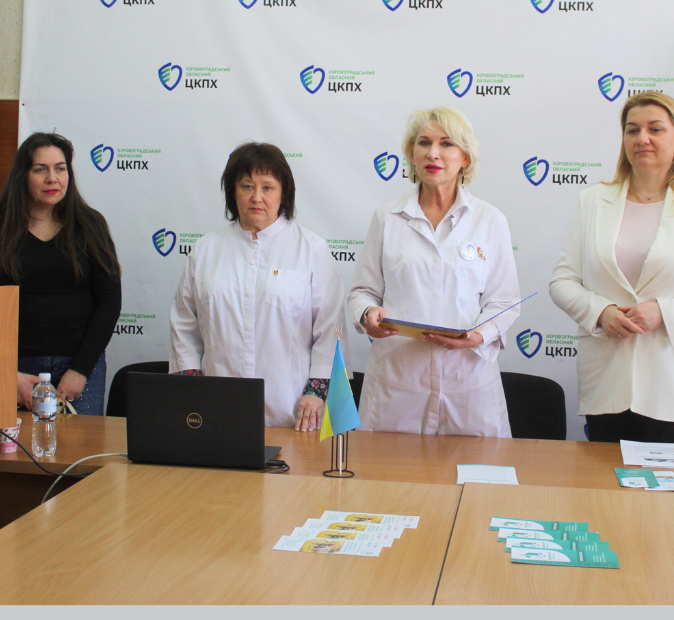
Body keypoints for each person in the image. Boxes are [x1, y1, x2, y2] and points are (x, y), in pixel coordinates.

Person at [549, 92, 674, 443]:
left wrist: (665, 312)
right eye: (632, 130)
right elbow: (563, 281)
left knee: (671, 481)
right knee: (603, 480)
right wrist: (601, 312)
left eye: (655, 129)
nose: (642, 138)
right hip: (607, 387)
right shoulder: (593, 200)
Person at [349, 107, 521, 437]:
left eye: (446, 144)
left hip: (467, 381)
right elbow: (362, 292)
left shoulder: (490, 220)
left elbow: (505, 301)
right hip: (397, 382)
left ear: (465, 157)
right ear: (411, 154)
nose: (433, 153)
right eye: (424, 143)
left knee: (472, 469)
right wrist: (368, 313)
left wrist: (477, 335)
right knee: (390, 469)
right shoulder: (387, 218)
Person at [169, 142, 346, 431]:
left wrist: (317, 392)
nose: (257, 197)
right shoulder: (205, 250)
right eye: (247, 186)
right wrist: (193, 389)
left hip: (292, 412)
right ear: (233, 191)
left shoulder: (311, 249)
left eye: (268, 187)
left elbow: (331, 328)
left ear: (283, 193)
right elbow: (184, 325)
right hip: (216, 407)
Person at [0, 132, 122, 415]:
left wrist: (80, 369)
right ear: (23, 176)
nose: (52, 179)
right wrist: (7, 374)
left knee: (79, 445)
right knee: (14, 444)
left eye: (60, 169)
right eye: (40, 170)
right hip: (14, 368)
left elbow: (109, 302)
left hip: (78, 369)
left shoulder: (91, 225)